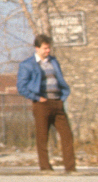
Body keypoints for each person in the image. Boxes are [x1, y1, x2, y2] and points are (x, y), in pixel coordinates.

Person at [17, 34, 77, 173]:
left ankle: (70, 167)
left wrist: (63, 96)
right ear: (37, 48)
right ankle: (45, 167)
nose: (48, 51)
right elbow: (21, 86)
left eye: (49, 48)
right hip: (41, 104)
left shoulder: (53, 62)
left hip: (57, 102)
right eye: (45, 48)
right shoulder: (27, 64)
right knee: (43, 136)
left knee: (67, 135)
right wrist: (37, 98)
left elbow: (59, 79)